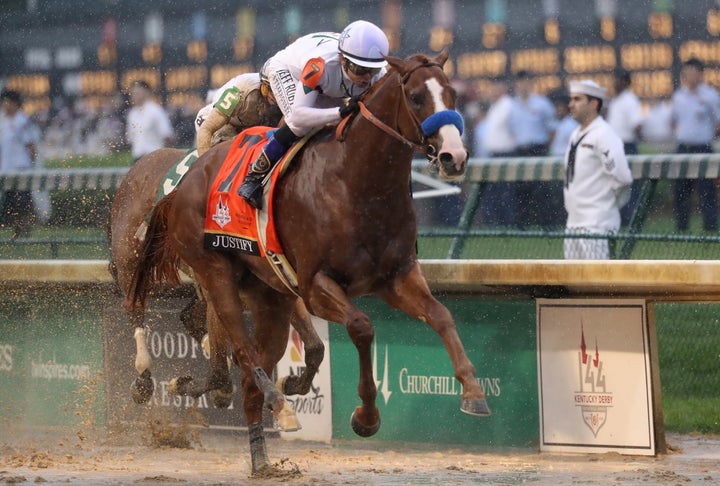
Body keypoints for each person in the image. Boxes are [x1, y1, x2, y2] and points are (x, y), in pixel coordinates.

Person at [237, 20, 389, 209]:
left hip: (328, 85)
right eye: (360, 69)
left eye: (372, 70)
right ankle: (254, 177)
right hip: (288, 71)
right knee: (300, 126)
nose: (367, 77)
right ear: (343, 59)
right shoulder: (319, 65)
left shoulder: (380, 74)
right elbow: (299, 116)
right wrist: (339, 112)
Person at [563, 80, 632, 260]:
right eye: (571, 99)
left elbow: (622, 178)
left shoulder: (604, 134)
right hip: (574, 222)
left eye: (578, 99)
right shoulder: (575, 134)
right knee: (574, 283)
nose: (571, 104)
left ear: (594, 104)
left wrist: (605, 204)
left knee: (600, 283)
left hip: (597, 222)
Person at [670, 57, 720, 232]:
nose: (690, 76)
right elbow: (673, 121)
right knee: (681, 191)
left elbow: (718, 122)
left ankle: (710, 228)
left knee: (707, 191)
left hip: (703, 148)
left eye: (693, 72)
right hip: (683, 148)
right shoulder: (678, 96)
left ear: (700, 74)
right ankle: (682, 229)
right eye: (687, 72)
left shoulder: (710, 96)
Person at [194, 65, 280, 156]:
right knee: (232, 151)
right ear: (263, 86)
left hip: (244, 125)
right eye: (271, 89)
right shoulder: (242, 91)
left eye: (279, 90)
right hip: (215, 119)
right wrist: (205, 163)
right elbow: (206, 129)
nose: (276, 95)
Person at [509, 70, 558, 227]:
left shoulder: (542, 104)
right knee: (521, 188)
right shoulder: (511, 105)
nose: (523, 86)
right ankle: (522, 224)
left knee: (541, 187)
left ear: (531, 84)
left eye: (526, 83)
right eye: (520, 83)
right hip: (520, 150)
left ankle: (547, 223)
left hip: (538, 148)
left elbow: (552, 129)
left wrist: (544, 148)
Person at [0, 89, 40, 238]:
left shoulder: (22, 121)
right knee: (10, 204)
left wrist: (31, 166)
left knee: (23, 203)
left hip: (21, 169)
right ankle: (16, 231)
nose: (5, 105)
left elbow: (31, 146)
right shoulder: (4, 122)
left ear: (16, 103)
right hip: (7, 170)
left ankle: (26, 231)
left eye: (7, 102)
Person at [607, 69, 644, 226]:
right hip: (615, 146)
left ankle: (631, 221)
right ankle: (621, 219)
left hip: (626, 146)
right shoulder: (616, 100)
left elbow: (637, 125)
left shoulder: (630, 100)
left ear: (625, 82)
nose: (614, 83)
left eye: (617, 80)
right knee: (617, 186)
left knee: (629, 187)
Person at [480, 76, 517, 226]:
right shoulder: (495, 106)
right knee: (496, 191)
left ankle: (509, 223)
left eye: (495, 87)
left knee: (506, 191)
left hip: (505, 154)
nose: (492, 91)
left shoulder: (508, 105)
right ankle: (497, 223)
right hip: (494, 155)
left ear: (503, 88)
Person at [125, 80, 174, 162]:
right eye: (132, 93)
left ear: (146, 92)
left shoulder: (156, 111)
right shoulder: (132, 114)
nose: (134, 96)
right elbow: (130, 139)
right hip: (137, 158)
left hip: (154, 158)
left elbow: (167, 136)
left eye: (137, 93)